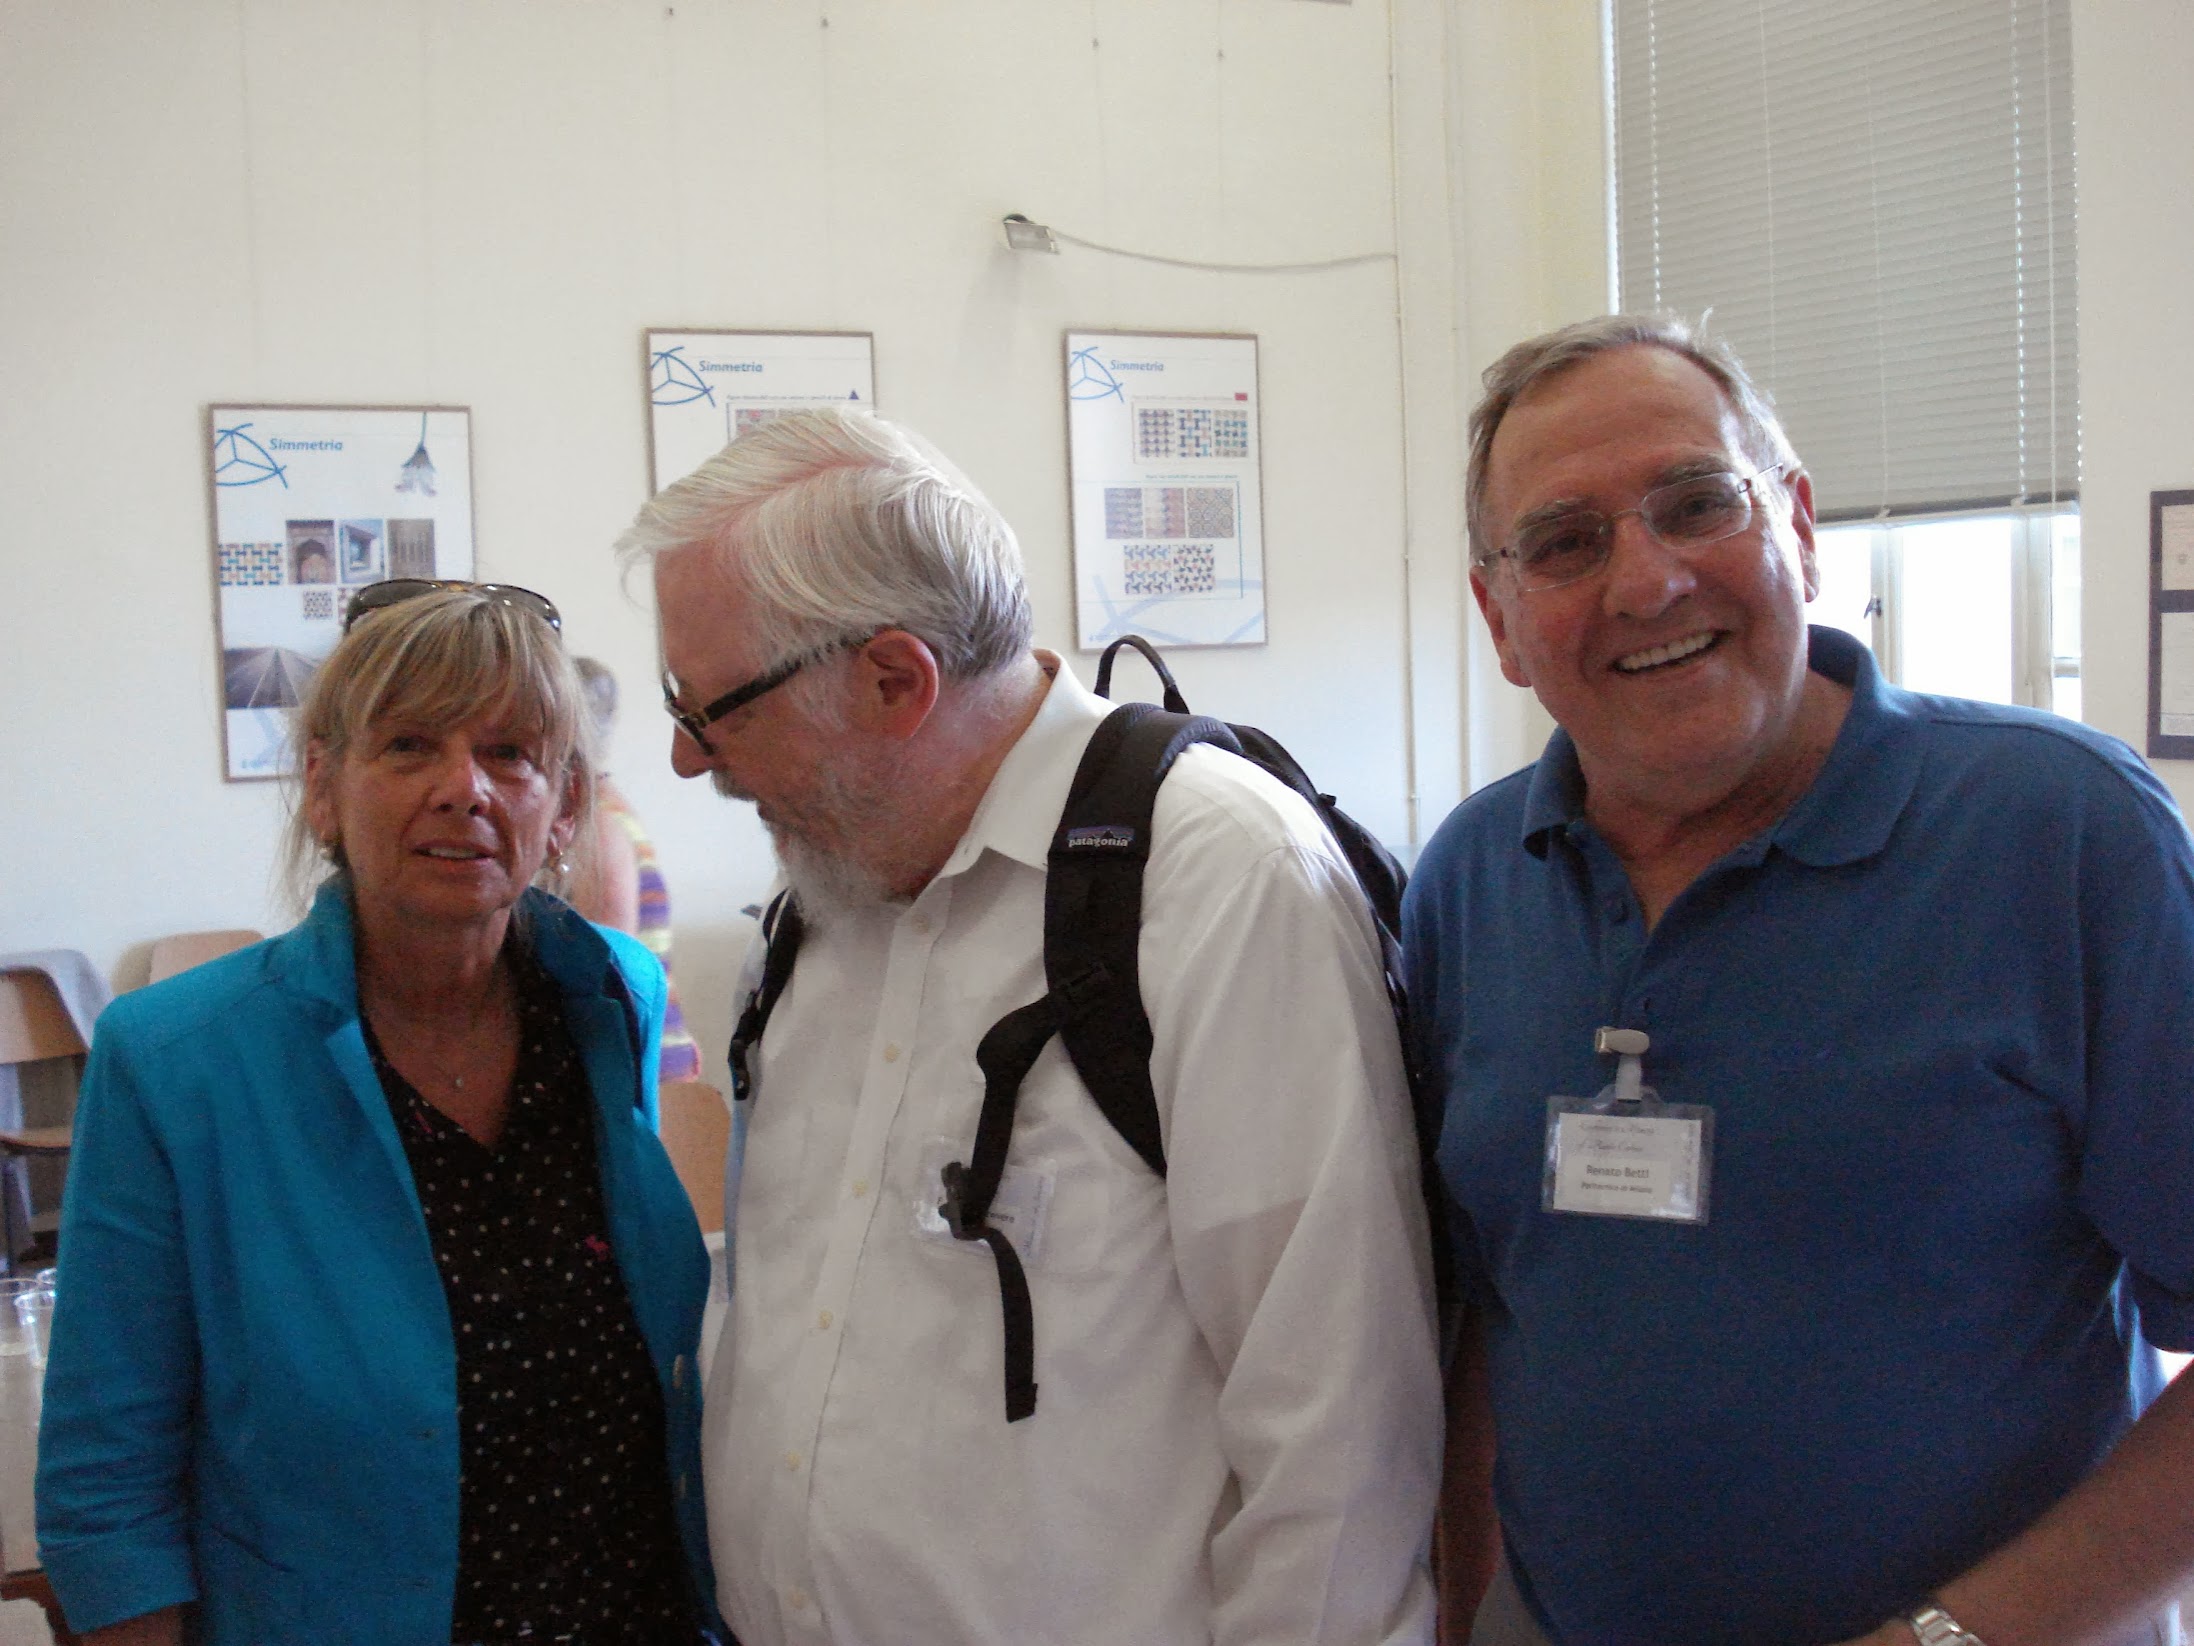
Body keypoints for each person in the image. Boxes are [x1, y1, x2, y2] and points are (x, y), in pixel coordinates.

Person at [1404, 313, 2194, 1646]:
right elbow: (1486, 1307)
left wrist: (1945, 1639)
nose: (1645, 582)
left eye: (1695, 503)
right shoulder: (1472, 877)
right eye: (1564, 540)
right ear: (1498, 618)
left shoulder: (2059, 837)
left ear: (1802, 530)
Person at [615, 407, 1442, 1646]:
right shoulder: (815, 906)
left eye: (713, 706)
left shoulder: (1210, 874)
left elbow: (1335, 1438)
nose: (687, 758)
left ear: (897, 678)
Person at [37, 582, 720, 1645]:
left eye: (510, 752)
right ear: (322, 786)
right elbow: (106, 1481)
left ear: (567, 805)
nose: (464, 788)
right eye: (408, 746)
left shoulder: (610, 996)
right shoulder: (175, 1059)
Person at [569, 654, 704, 1084]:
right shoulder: (603, 810)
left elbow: (605, 974)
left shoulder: (594, 825)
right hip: (650, 1061)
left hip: (639, 1072)